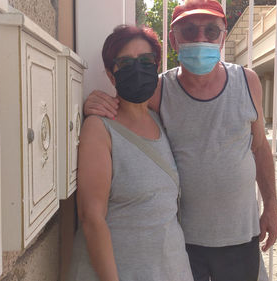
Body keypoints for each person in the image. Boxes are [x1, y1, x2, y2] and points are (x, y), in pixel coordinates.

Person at [84, 1, 277, 280]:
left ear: (223, 36)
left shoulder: (248, 82)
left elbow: (260, 148)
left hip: (241, 237)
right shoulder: (158, 89)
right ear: (174, 40)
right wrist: (91, 102)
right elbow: (124, 107)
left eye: (211, 30)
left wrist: (271, 206)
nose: (200, 38)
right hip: (186, 244)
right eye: (189, 31)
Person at [67, 25, 194, 281]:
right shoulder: (99, 128)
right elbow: (92, 218)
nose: (138, 69)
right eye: (125, 63)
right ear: (111, 75)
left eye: (146, 61)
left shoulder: (160, 120)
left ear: (156, 66)